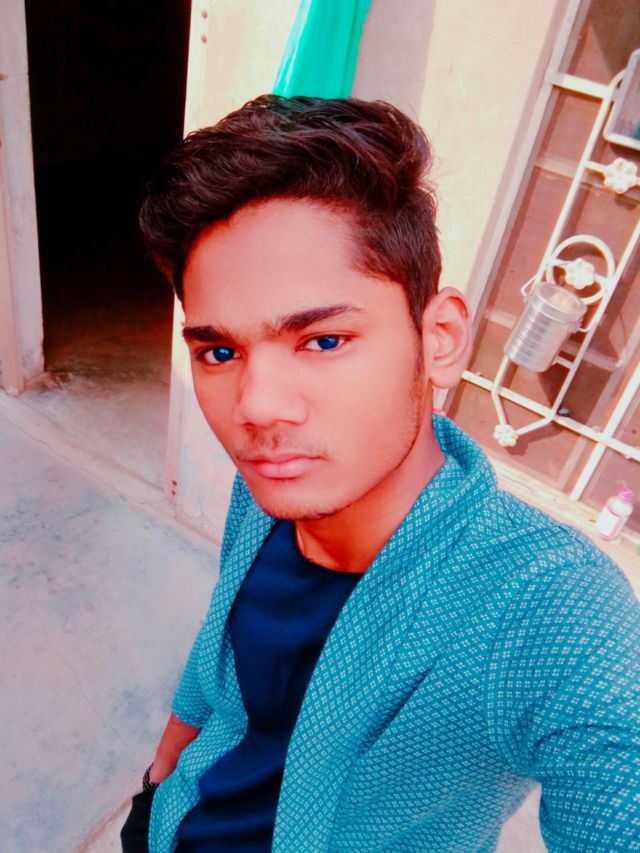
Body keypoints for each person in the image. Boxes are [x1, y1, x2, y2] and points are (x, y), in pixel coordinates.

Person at [121, 95, 640, 853]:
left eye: (324, 340)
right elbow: (219, 654)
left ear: (440, 338)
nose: (256, 408)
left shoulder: (550, 607)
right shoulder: (267, 493)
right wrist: (161, 780)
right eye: (220, 352)